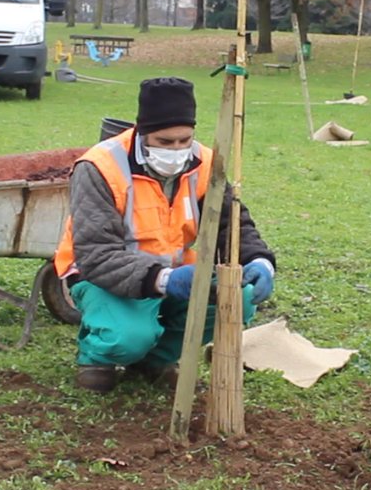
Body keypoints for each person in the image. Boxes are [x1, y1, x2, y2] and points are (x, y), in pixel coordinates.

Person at [53, 77, 277, 393]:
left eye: (184, 140)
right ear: (141, 133)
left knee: (237, 300)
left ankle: (156, 360)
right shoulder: (100, 167)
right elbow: (96, 255)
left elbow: (232, 224)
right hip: (103, 276)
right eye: (164, 142)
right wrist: (164, 280)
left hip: (175, 272)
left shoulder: (206, 163)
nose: (177, 150)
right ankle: (97, 356)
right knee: (128, 338)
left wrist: (258, 261)